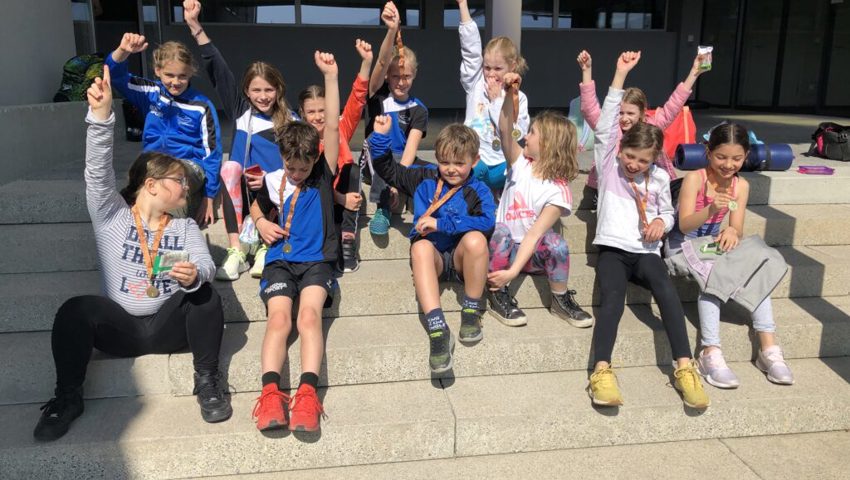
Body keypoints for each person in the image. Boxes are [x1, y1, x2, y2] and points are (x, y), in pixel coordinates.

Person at [33, 67, 230, 442]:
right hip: (119, 328)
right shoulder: (111, 216)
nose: (187, 186)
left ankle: (207, 382)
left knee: (205, 295)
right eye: (180, 181)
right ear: (152, 185)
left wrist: (196, 274)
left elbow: (204, 263)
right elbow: (97, 173)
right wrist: (102, 117)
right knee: (75, 309)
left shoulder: (185, 226)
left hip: (169, 325)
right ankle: (67, 398)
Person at [587, 51, 709, 409]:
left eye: (642, 161)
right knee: (611, 301)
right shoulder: (608, 163)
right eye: (630, 157)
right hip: (613, 249)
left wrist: (661, 222)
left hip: (645, 252)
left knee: (667, 293)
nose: (634, 165)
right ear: (619, 149)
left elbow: (668, 213)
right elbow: (608, 118)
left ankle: (685, 367)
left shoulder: (657, 176)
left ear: (655, 159)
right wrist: (619, 74)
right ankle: (601, 371)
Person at [248, 51, 340, 433]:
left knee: (308, 316)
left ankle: (306, 394)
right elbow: (256, 205)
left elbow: (332, 127)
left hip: (317, 261)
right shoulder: (273, 179)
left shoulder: (321, 174)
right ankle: (271, 394)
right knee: (279, 320)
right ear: (283, 157)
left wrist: (331, 76)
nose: (298, 173)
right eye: (292, 166)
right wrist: (260, 223)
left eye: (303, 167)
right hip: (281, 261)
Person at [667, 123, 794, 388]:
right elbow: (684, 225)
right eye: (721, 157)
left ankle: (768, 348)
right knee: (715, 271)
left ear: (745, 156)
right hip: (683, 245)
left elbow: (736, 225)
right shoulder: (696, 178)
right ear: (708, 152)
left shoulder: (741, 186)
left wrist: (733, 232)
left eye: (736, 158)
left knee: (757, 263)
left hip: (710, 244)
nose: (728, 164)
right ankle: (710, 351)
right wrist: (712, 209)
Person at [370, 115, 495, 373]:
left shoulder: (479, 189)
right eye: (444, 162)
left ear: (475, 161)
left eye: (460, 163)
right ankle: (438, 329)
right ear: (436, 158)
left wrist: (443, 225)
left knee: (476, 239)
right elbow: (389, 171)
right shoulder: (424, 177)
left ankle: (471, 309)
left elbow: (486, 222)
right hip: (434, 259)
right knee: (420, 246)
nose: (451, 169)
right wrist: (381, 138)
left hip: (462, 260)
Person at [183, 0, 297, 280]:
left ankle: (261, 250)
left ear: (279, 89)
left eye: (269, 90)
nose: (263, 96)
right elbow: (218, 69)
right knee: (229, 167)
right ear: (246, 91)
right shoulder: (241, 111)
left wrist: (270, 178)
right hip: (241, 190)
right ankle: (236, 250)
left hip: (274, 191)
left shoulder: (291, 120)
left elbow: (299, 165)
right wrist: (195, 26)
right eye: (256, 90)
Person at [486, 73, 591, 328]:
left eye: (532, 133)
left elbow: (534, 236)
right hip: (504, 251)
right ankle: (497, 294)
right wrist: (510, 94)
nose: (526, 137)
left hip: (530, 255)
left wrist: (513, 272)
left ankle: (559, 299)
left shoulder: (559, 190)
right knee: (499, 231)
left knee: (557, 244)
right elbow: (504, 126)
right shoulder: (520, 163)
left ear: (547, 144)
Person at [105, 32, 222, 229]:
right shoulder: (151, 92)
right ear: (158, 71)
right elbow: (115, 75)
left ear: (190, 73)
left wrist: (209, 195)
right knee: (129, 197)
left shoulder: (201, 105)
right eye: (169, 75)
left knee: (165, 184)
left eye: (182, 76)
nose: (175, 82)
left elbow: (212, 152)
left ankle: (169, 229)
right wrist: (123, 51)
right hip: (153, 163)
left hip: (188, 166)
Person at [577, 49, 707, 206]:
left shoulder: (651, 125)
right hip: (615, 185)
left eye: (630, 113)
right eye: (620, 113)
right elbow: (589, 108)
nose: (624, 118)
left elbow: (674, 104)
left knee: (683, 189)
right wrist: (586, 71)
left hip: (646, 184)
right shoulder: (608, 128)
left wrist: (694, 72)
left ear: (642, 113)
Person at [298, 39, 373, 273]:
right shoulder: (301, 139)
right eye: (311, 112)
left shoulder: (340, 128)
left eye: (323, 110)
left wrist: (366, 62)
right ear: (302, 113)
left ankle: (348, 239)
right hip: (320, 201)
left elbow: (357, 98)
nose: (318, 116)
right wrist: (339, 199)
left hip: (344, 195)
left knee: (352, 169)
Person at [364, 1, 428, 236]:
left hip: (401, 163)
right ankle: (383, 209)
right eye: (395, 76)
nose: (401, 82)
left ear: (415, 75)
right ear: (388, 78)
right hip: (376, 160)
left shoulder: (419, 109)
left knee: (431, 169)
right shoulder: (379, 97)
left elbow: (411, 148)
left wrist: (398, 179)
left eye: (407, 76)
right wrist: (392, 30)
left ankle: (424, 210)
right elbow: (381, 62)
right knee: (384, 156)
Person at [457, 0, 530, 192]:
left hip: (501, 165)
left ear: (512, 66)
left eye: (498, 68)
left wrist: (498, 100)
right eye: (487, 67)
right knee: (470, 170)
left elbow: (517, 133)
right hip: (476, 161)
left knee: (522, 169)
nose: (491, 74)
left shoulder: (518, 97)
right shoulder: (476, 84)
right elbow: (470, 51)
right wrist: (463, 5)